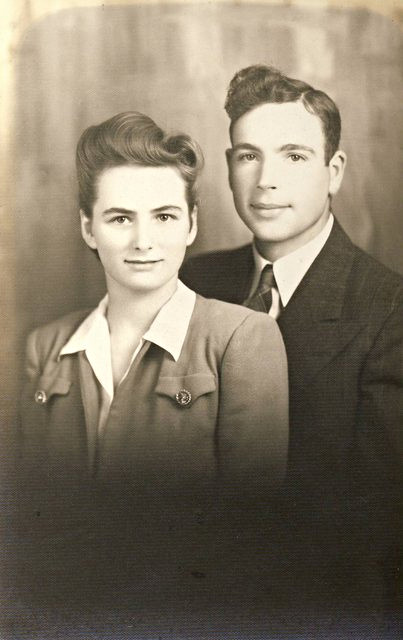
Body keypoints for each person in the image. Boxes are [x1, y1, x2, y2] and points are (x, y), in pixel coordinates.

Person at [16, 111, 288, 630]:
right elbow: (33, 514)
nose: (144, 241)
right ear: (88, 229)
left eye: (164, 217)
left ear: (191, 224)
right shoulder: (46, 346)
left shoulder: (241, 338)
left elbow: (251, 525)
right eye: (120, 218)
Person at [181, 65, 403, 630]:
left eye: (294, 156)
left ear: (334, 171)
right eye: (247, 155)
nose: (265, 181)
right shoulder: (190, 281)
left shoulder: (388, 308)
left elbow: (377, 528)